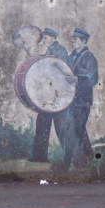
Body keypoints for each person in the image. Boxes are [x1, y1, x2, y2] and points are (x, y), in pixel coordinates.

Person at [28, 28, 69, 163]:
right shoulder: (49, 50)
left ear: (53, 38)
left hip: (57, 96)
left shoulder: (59, 50)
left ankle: (69, 157)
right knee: (42, 125)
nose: (44, 41)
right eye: (44, 38)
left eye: (46, 38)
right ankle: (40, 156)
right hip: (49, 96)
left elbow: (58, 71)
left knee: (60, 128)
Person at [61, 28, 98, 171]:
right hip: (71, 100)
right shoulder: (71, 57)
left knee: (78, 129)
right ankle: (83, 158)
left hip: (83, 100)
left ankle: (77, 162)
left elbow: (93, 79)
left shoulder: (89, 57)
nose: (73, 42)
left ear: (84, 41)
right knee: (72, 129)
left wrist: (76, 79)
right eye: (73, 39)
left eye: (76, 40)